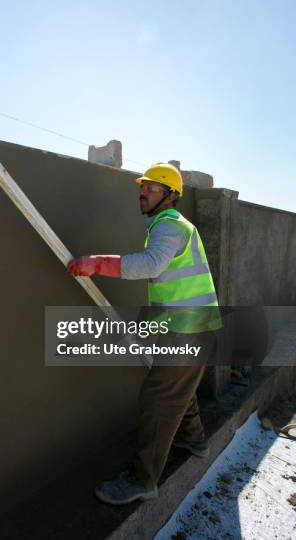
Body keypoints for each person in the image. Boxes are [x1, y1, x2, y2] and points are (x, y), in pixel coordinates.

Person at [67, 163, 219, 505]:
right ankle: (194, 440)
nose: (142, 192)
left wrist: (97, 263)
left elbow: (151, 264)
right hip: (191, 327)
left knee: (158, 399)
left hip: (189, 330)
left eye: (151, 188)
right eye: (142, 187)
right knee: (178, 386)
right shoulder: (173, 226)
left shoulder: (169, 225)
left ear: (170, 195)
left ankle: (143, 480)